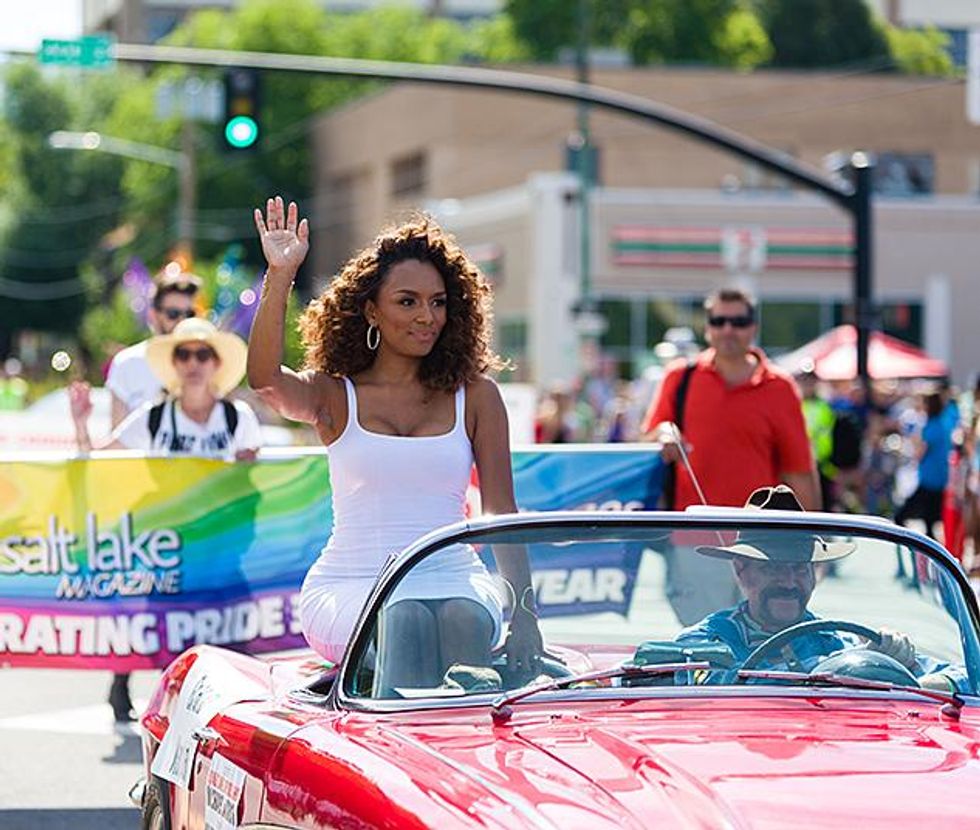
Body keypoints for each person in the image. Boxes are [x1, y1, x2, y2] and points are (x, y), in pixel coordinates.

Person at [247, 196, 542, 691]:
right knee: (402, 619)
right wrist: (280, 275)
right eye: (407, 301)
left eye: (438, 301)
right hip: (352, 583)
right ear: (371, 311)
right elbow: (264, 379)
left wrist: (527, 615)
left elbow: (502, 513)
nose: (427, 316)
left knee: (462, 623)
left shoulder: (477, 396)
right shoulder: (333, 394)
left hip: (453, 578)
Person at [70, 318, 262, 721]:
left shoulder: (237, 418)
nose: (193, 363)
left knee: (235, 663)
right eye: (184, 354)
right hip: (170, 559)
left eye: (202, 354)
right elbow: (97, 463)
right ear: (173, 364)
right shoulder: (153, 418)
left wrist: (247, 470)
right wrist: (80, 424)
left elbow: (256, 486)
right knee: (173, 664)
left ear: (215, 363)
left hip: (223, 560)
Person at [641, 287, 818, 625]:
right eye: (718, 321)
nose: (727, 330)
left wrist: (808, 544)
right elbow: (649, 439)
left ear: (753, 327)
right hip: (694, 540)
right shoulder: (680, 378)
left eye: (737, 321)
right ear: (707, 327)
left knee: (768, 643)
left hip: (765, 544)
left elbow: (799, 472)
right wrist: (662, 436)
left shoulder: (779, 386)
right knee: (705, 647)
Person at [676, 485, 964, 693]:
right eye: (773, 568)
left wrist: (899, 665)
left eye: (800, 568)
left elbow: (966, 678)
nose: (789, 583)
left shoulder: (834, 642)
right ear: (741, 570)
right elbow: (715, 685)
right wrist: (844, 673)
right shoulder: (705, 642)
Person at [105, 265, 202, 428]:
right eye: (173, 314)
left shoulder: (205, 361)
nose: (181, 321)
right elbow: (116, 435)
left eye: (189, 314)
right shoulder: (127, 363)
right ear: (153, 315)